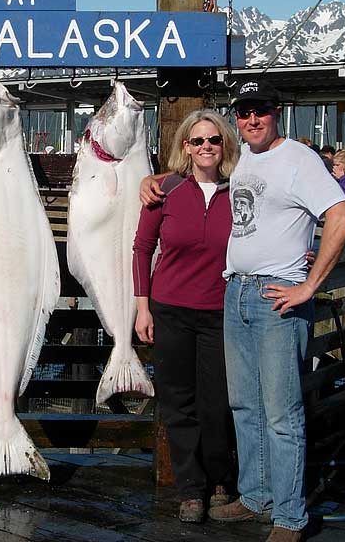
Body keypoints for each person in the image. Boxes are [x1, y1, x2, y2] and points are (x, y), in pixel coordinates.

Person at [142, 80, 345, 542]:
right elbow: (193, 177)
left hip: (277, 296)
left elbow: (341, 216)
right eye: (243, 112)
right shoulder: (242, 162)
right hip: (233, 293)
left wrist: (310, 285)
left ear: (276, 112)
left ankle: (290, 516)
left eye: (260, 110)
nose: (252, 120)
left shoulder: (298, 157)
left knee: (282, 413)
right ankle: (255, 495)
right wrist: (151, 180)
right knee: (244, 406)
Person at [132, 110, 239, 523]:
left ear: (224, 144)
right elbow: (142, 248)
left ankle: (220, 481)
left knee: (218, 403)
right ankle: (190, 489)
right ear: (185, 147)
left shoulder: (241, 191)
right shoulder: (166, 190)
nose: (206, 147)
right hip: (171, 310)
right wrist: (143, 307)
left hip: (221, 312)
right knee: (178, 403)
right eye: (197, 141)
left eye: (213, 139)